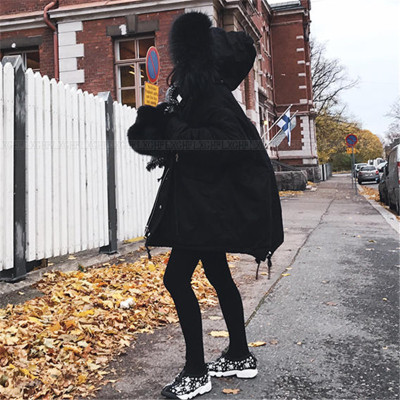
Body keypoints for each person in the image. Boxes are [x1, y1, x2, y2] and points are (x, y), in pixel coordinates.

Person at [127, 11, 284, 400]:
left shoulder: (213, 95)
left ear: (197, 59)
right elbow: (181, 143)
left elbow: (222, 144)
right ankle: (240, 355)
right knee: (218, 275)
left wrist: (175, 128)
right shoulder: (201, 94)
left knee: (176, 279)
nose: (178, 66)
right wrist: (155, 124)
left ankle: (196, 372)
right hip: (205, 204)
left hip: (207, 208)